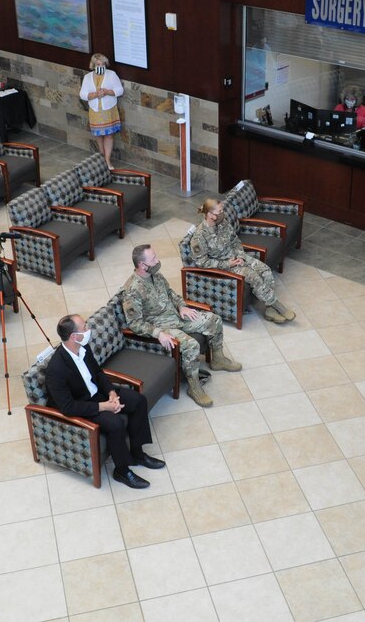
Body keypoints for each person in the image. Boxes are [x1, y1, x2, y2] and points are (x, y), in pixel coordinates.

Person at [45, 314, 166, 490]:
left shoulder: (83, 347)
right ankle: (122, 471)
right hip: (83, 405)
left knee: (138, 401)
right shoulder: (56, 369)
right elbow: (68, 407)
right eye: (84, 327)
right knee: (115, 424)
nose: (88, 330)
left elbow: (99, 373)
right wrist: (103, 407)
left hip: (99, 394)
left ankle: (138, 453)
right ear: (73, 336)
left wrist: (111, 393)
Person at [122, 244, 241, 408]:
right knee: (191, 345)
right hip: (161, 326)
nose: (157, 261)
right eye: (153, 259)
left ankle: (218, 359)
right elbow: (134, 323)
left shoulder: (155, 275)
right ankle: (194, 387)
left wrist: (181, 306)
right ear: (142, 265)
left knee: (214, 319)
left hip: (176, 315)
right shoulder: (132, 290)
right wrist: (158, 333)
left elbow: (171, 294)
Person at [191, 198, 296, 324]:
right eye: (220, 211)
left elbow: (235, 241)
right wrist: (228, 263)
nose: (223, 213)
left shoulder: (223, 223)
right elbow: (202, 263)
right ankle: (277, 306)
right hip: (225, 266)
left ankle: (269, 309)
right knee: (253, 277)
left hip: (238, 257)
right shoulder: (199, 237)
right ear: (210, 214)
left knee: (265, 270)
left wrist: (240, 255)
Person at [79, 53, 123, 169]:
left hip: (108, 109)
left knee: (109, 135)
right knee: (99, 136)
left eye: (103, 64)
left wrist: (107, 92)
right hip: (95, 110)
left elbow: (119, 90)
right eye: (98, 64)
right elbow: (82, 94)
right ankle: (102, 158)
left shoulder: (111, 75)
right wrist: (94, 95)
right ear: (93, 65)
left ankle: (108, 161)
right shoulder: (88, 77)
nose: (101, 66)